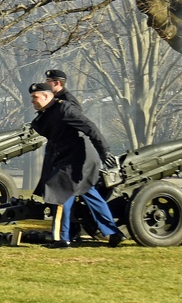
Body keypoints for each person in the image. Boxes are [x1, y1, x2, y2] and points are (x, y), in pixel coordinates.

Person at [28, 82, 122, 248]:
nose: (32, 101)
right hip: (70, 159)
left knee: (59, 195)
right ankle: (114, 233)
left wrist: (104, 151)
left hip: (77, 160)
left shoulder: (64, 108)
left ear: (46, 96)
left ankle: (62, 239)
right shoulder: (47, 112)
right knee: (89, 194)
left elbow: (90, 128)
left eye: (35, 97)